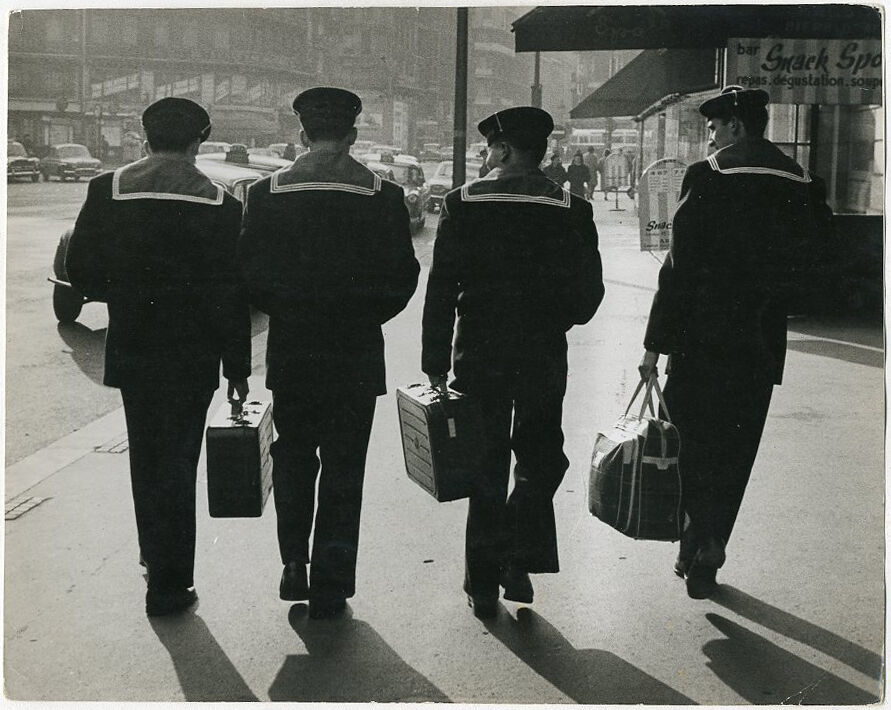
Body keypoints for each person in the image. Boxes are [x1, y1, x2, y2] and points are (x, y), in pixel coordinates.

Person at [637, 85, 832, 599]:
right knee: (737, 447)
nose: (710, 140)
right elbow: (820, 266)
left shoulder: (708, 177)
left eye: (713, 129)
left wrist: (654, 345)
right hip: (760, 343)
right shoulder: (804, 181)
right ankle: (712, 542)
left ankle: (694, 537)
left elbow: (676, 269)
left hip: (699, 340)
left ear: (736, 128)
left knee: (692, 445)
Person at [65, 97, 251, 616]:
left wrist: (126, 294)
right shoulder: (221, 203)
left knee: (146, 459)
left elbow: (80, 270)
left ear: (143, 138)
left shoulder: (107, 189)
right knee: (179, 462)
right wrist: (237, 367)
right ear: (200, 141)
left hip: (136, 347)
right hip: (194, 355)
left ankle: (154, 558)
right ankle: (173, 582)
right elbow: (232, 295)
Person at [239, 87, 419, 619]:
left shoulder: (266, 193)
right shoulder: (382, 196)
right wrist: (364, 316)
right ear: (352, 136)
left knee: (293, 457)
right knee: (345, 467)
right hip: (356, 354)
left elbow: (249, 274)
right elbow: (403, 278)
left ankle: (293, 562)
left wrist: (289, 311)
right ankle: (332, 581)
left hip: (293, 350)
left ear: (302, 135)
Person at [422, 106, 604, 619]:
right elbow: (589, 298)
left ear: (501, 149)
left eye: (488, 148)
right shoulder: (572, 207)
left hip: (478, 354)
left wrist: (434, 359)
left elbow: (440, 288)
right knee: (541, 458)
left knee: (485, 463)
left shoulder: (462, 203)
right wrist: (551, 318)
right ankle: (518, 560)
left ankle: (482, 581)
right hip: (543, 355)